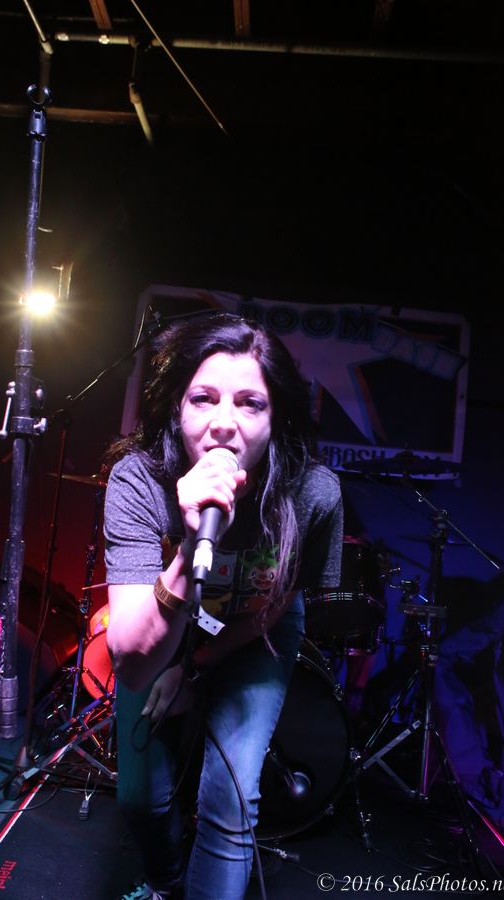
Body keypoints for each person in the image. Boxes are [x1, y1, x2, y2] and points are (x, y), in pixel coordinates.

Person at [103, 312, 343, 900]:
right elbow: (131, 661)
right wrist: (189, 549)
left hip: (255, 629)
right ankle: (165, 883)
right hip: (165, 626)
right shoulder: (139, 481)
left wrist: (196, 670)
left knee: (229, 799)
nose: (223, 424)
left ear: (275, 417)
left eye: (250, 403)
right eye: (203, 399)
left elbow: (276, 603)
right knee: (140, 799)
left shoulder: (312, 493)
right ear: (177, 408)